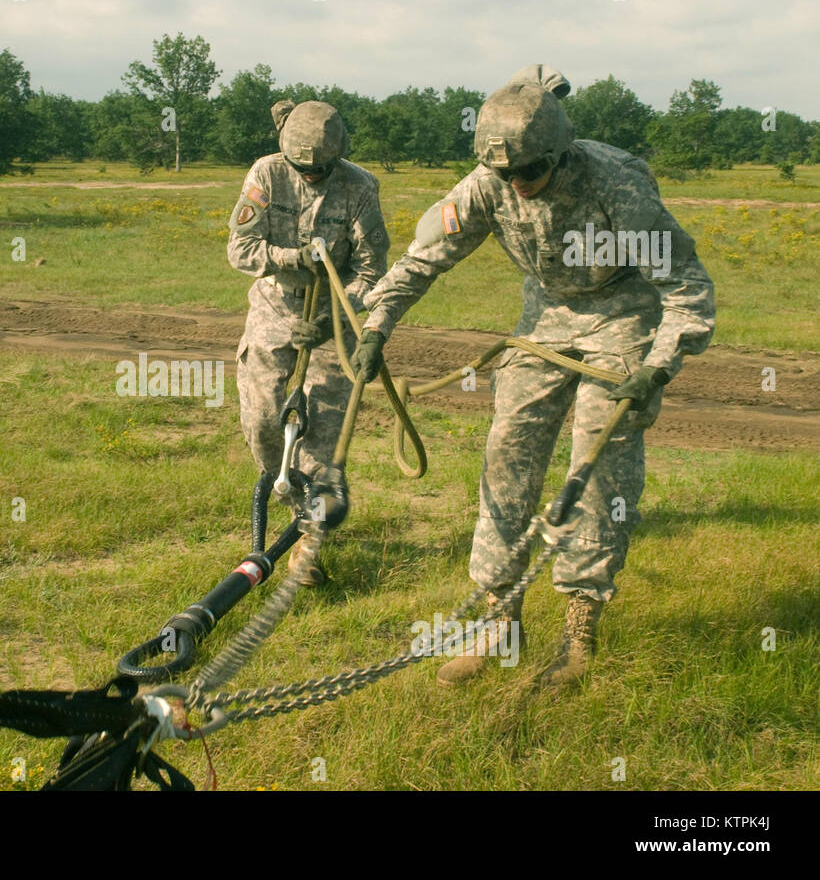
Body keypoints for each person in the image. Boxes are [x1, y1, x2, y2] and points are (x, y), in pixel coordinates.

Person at [353, 64, 716, 687]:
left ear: (559, 152)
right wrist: (378, 323)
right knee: (507, 454)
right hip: (545, 320)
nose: (517, 186)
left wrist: (657, 366)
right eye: (504, 174)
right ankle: (499, 624)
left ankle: (580, 630)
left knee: (597, 468)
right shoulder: (487, 184)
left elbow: (685, 286)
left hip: (623, 316)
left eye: (530, 172)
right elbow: (421, 260)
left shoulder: (616, 182)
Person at [226, 99, 390, 586]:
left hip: (330, 319)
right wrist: (293, 258)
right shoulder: (267, 174)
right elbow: (240, 248)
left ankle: (309, 542)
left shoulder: (361, 187)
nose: (311, 177)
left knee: (321, 436)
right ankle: (287, 492)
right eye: (303, 169)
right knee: (262, 420)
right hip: (275, 307)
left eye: (321, 170)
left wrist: (334, 320)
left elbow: (371, 272)